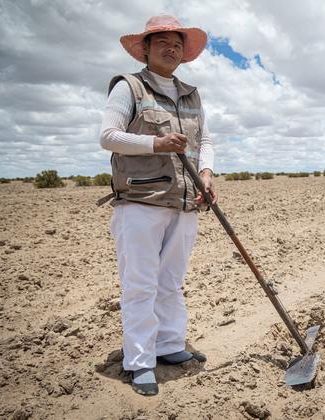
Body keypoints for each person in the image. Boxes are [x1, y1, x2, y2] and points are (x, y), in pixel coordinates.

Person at [97, 14, 217, 396]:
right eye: (162, 41)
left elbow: (206, 142)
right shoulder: (129, 87)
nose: (171, 48)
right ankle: (139, 361)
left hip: (184, 203)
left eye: (178, 43)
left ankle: (168, 346)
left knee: (171, 282)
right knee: (140, 285)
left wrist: (208, 173)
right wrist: (155, 144)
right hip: (140, 202)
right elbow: (109, 136)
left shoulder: (191, 93)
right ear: (145, 49)